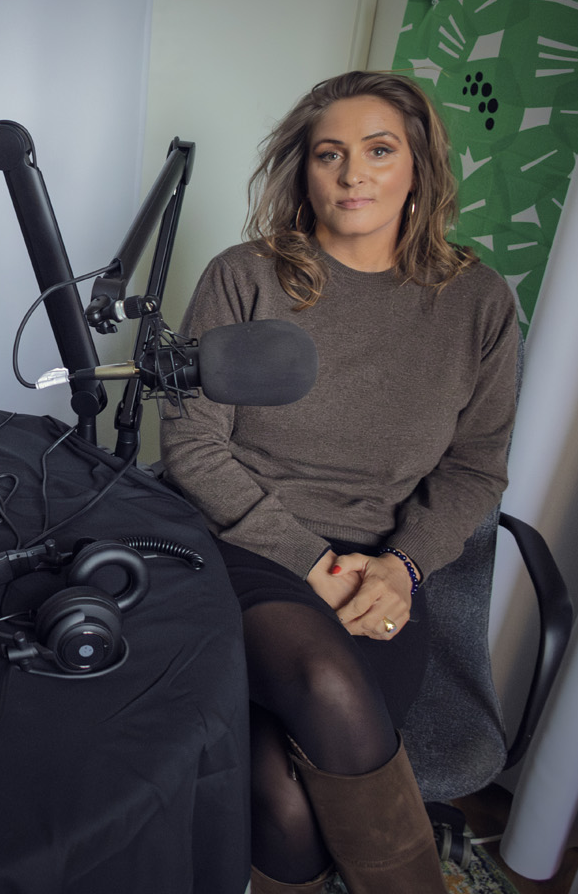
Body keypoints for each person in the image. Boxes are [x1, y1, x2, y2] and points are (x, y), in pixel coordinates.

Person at [160, 72, 519, 893]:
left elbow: (476, 466)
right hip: (240, 544)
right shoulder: (245, 277)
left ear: (419, 166)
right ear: (305, 170)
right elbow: (192, 445)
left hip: (379, 570)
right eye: (330, 154)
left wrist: (403, 568)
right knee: (322, 683)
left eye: (378, 150)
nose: (353, 174)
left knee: (286, 802)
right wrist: (313, 563)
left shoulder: (479, 303)